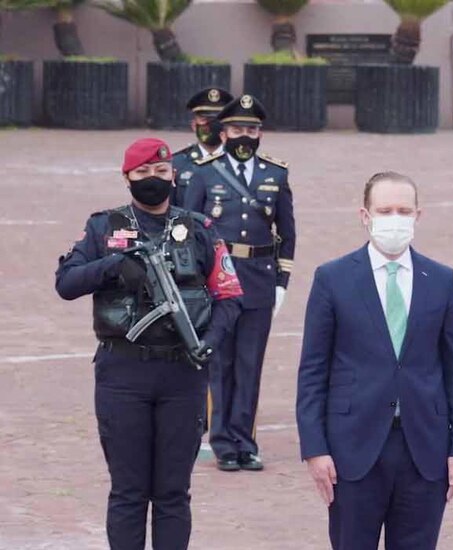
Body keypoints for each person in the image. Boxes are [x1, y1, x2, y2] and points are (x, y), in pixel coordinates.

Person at [56, 138, 243, 549]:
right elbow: (66, 284)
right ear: (127, 178)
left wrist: (209, 342)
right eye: (143, 173)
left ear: (173, 175)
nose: (153, 180)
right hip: (123, 372)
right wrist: (113, 267)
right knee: (128, 491)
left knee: (173, 492)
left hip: (183, 373)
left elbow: (229, 297)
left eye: (161, 172)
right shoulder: (103, 227)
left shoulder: (199, 230)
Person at [296, 171, 453, 550]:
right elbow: (313, 370)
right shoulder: (333, 278)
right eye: (384, 210)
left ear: (418, 215)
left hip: (424, 450)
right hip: (353, 449)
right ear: (365, 215)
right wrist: (315, 448)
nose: (394, 218)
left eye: (403, 210)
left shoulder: (440, 279)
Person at [183, 94, 297, 472]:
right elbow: (192, 229)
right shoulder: (205, 172)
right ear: (224, 131)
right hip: (220, 279)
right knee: (220, 362)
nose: (243, 135)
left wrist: (282, 281)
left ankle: (245, 441)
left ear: (260, 133)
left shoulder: (275, 173)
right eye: (236, 129)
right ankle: (221, 443)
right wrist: (196, 281)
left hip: (260, 278)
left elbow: (288, 231)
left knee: (250, 363)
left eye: (250, 129)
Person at [171, 87, 233, 206]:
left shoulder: (239, 163)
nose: (212, 125)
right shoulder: (177, 164)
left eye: (218, 120)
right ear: (194, 125)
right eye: (206, 120)